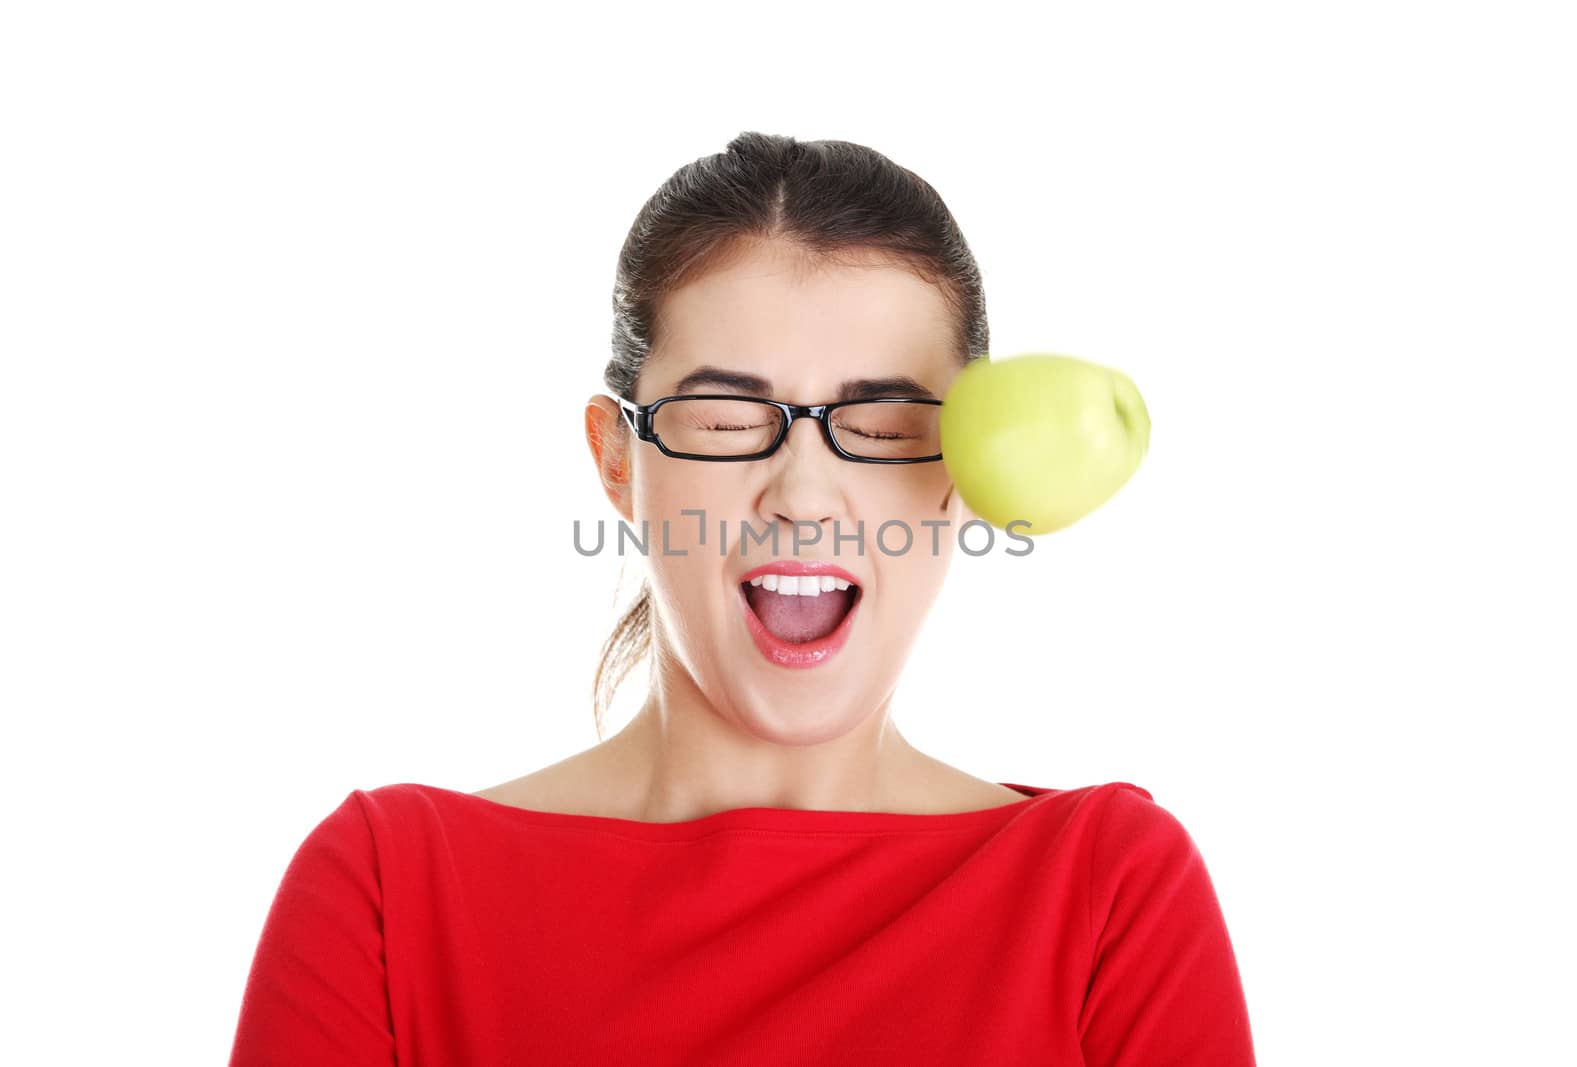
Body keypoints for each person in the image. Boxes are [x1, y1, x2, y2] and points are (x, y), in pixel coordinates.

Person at [227, 130, 1256, 1065]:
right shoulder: (386, 895)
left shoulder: (1105, 892)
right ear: (618, 462)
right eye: (724, 417)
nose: (803, 497)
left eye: (886, 421)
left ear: (969, 468)